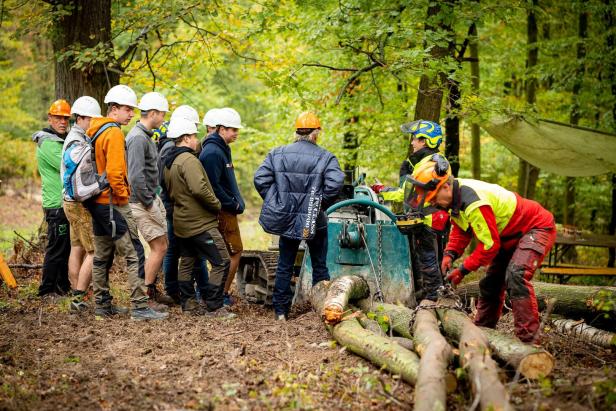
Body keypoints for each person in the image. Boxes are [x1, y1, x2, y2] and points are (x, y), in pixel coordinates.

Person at [410, 159, 556, 343]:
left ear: (446, 186)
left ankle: (529, 340)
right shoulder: (454, 200)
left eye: (434, 199)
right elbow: (462, 229)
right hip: (509, 235)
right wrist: (450, 254)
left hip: (536, 228)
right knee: (490, 284)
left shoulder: (473, 202)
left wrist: (463, 270)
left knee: (516, 275)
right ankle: (482, 332)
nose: (435, 204)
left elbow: (489, 246)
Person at [85, 84, 167, 320]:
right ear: (114, 108)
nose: (131, 114)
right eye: (127, 109)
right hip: (113, 203)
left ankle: (102, 304)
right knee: (134, 253)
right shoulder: (113, 133)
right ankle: (140, 307)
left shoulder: (97, 130)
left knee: (102, 255)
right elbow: (114, 173)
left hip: (97, 203)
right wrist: (122, 196)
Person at [254, 112, 345, 320]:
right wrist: (319, 203)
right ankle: (322, 311)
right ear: (316, 133)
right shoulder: (326, 157)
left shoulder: (278, 154)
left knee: (285, 264)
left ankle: (280, 313)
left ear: (296, 132)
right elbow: (335, 183)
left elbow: (260, 178)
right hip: (315, 219)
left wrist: (277, 201)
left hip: (287, 219)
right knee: (320, 266)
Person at [162, 117, 234, 318]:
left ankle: (188, 304)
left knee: (187, 261)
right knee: (222, 261)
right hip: (200, 223)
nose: (196, 139)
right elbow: (199, 189)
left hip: (181, 222)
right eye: (193, 136)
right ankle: (214, 306)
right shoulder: (189, 160)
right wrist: (217, 204)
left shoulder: (169, 161)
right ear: (185, 138)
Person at [380, 120, 450, 302]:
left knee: (428, 260)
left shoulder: (427, 166)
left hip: (427, 219)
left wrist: (382, 191)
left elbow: (407, 195)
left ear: (425, 141)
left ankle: (434, 299)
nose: (412, 143)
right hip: (439, 217)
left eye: (415, 139)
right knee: (439, 258)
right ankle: (438, 294)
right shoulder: (437, 161)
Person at [158, 105, 209, 304]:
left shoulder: (168, 147)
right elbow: (166, 180)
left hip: (173, 205)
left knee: (177, 250)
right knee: (179, 250)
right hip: (175, 206)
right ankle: (175, 290)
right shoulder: (170, 150)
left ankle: (177, 289)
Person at [126, 91, 173, 309]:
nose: (163, 119)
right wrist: (148, 201)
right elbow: (135, 175)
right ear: (152, 113)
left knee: (162, 245)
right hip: (140, 201)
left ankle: (150, 289)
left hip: (147, 198)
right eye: (162, 114)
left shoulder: (144, 135)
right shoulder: (137, 138)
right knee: (159, 246)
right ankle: (145, 295)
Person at [199, 107, 245, 306]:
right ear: (221, 129)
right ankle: (220, 294)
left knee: (228, 253)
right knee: (233, 252)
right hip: (222, 212)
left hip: (227, 210)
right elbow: (213, 187)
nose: (236, 133)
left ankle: (215, 292)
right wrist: (232, 203)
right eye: (232, 129)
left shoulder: (222, 149)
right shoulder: (212, 152)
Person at [60, 96, 100, 311]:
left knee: (77, 248)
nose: (93, 123)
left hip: (68, 201)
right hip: (78, 203)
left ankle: (77, 292)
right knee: (95, 251)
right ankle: (78, 298)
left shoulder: (72, 137)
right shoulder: (79, 142)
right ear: (81, 117)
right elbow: (82, 179)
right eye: (91, 119)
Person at [33, 99, 72, 297]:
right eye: (58, 117)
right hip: (56, 204)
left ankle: (62, 286)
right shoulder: (48, 143)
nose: (63, 121)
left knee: (65, 247)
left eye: (66, 118)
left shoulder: (60, 140)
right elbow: (66, 165)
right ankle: (47, 289)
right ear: (50, 118)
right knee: (56, 248)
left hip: (63, 203)